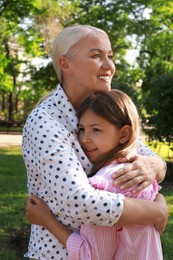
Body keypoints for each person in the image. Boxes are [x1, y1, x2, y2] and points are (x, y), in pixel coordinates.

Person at [22, 25, 168, 260]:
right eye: (96, 55)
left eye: (110, 56)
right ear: (66, 64)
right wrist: (155, 210)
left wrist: (155, 166)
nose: (109, 65)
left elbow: (149, 156)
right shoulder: (45, 121)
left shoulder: (102, 109)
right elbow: (81, 202)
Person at [26, 90, 163, 260]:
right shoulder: (140, 175)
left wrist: (48, 222)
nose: (84, 139)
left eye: (96, 130)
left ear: (124, 134)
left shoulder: (108, 185)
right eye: (81, 129)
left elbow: (90, 256)